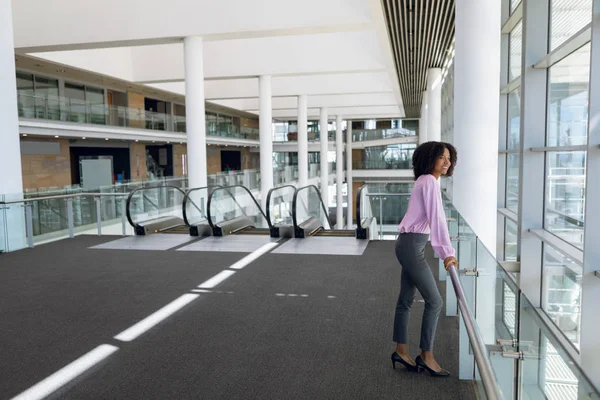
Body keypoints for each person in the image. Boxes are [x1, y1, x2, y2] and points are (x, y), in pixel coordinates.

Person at [390, 141, 459, 377]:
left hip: (408, 243)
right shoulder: (429, 181)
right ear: (429, 159)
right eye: (441, 157)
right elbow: (437, 218)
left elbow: (432, 218)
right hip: (411, 246)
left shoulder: (423, 180)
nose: (447, 162)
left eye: (449, 158)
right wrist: (447, 252)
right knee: (435, 301)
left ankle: (401, 350)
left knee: (406, 300)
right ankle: (426, 356)